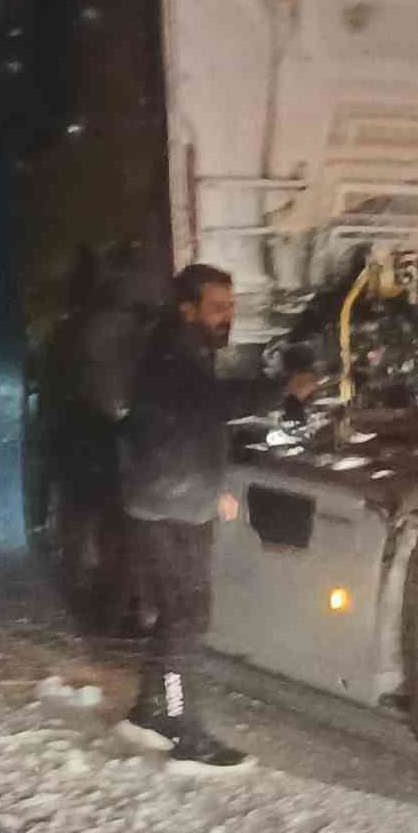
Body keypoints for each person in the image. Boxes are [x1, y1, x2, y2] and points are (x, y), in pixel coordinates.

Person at [117, 263, 318, 770]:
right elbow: (214, 403)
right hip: (165, 504)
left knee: (178, 614)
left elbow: (199, 420)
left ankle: (148, 711)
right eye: (217, 307)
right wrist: (283, 390)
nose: (228, 316)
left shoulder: (186, 349)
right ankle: (186, 735)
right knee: (187, 616)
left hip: (180, 498)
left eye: (231, 306)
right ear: (187, 308)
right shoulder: (170, 355)